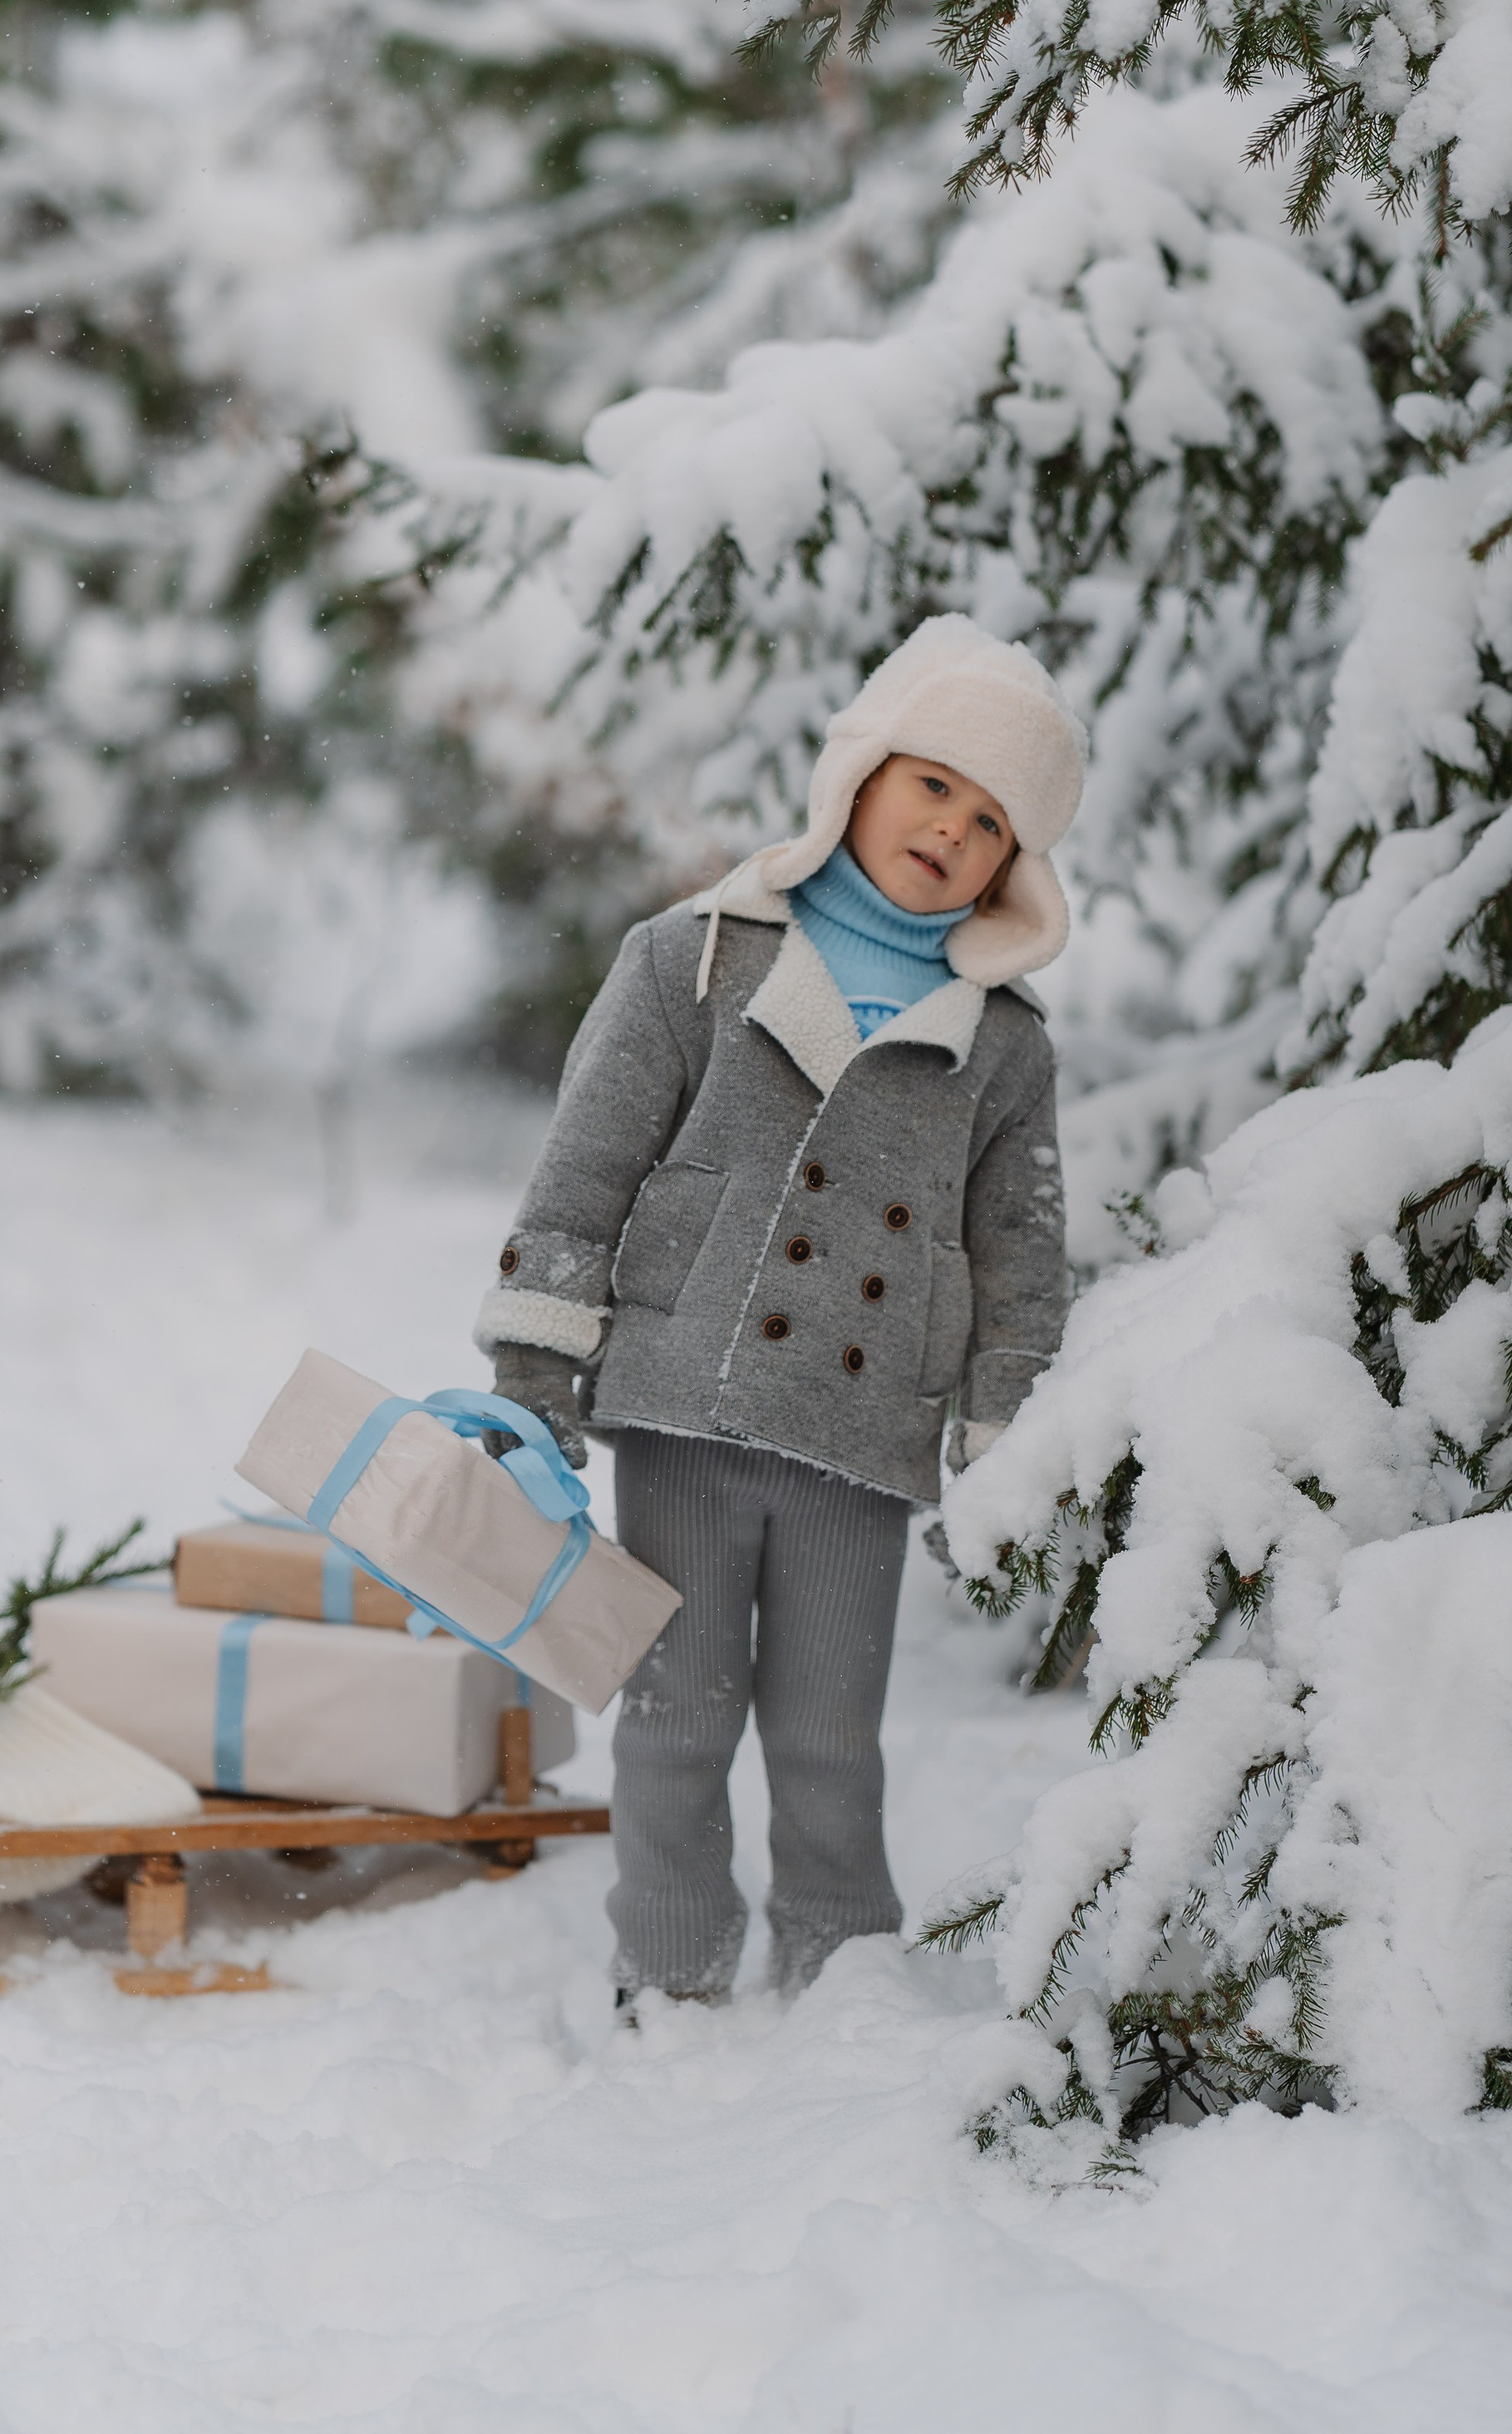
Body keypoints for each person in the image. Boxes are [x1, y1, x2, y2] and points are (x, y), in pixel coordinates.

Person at [475, 616, 1085, 2004]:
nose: (952, 828)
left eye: (991, 822)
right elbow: (582, 1176)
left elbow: (1021, 1255)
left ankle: (839, 1967)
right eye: (934, 784)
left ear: (1014, 866)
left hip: (863, 1434)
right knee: (677, 1715)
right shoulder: (694, 960)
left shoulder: (1003, 1045)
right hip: (685, 1407)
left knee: (828, 1735)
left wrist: (1004, 1429)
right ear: (861, 775)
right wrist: (536, 1371)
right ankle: (671, 1967)